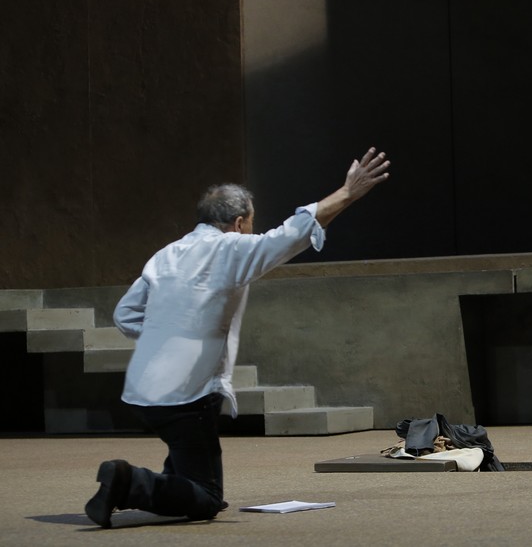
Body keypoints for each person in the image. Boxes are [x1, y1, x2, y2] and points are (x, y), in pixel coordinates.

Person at [84, 147, 390, 528]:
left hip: (144, 392)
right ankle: (128, 482)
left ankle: (143, 484)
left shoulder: (165, 255)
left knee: (185, 463)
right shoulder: (229, 249)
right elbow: (289, 236)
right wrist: (346, 193)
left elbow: (124, 314)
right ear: (240, 222)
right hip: (189, 394)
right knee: (207, 497)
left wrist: (166, 336)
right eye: (251, 224)